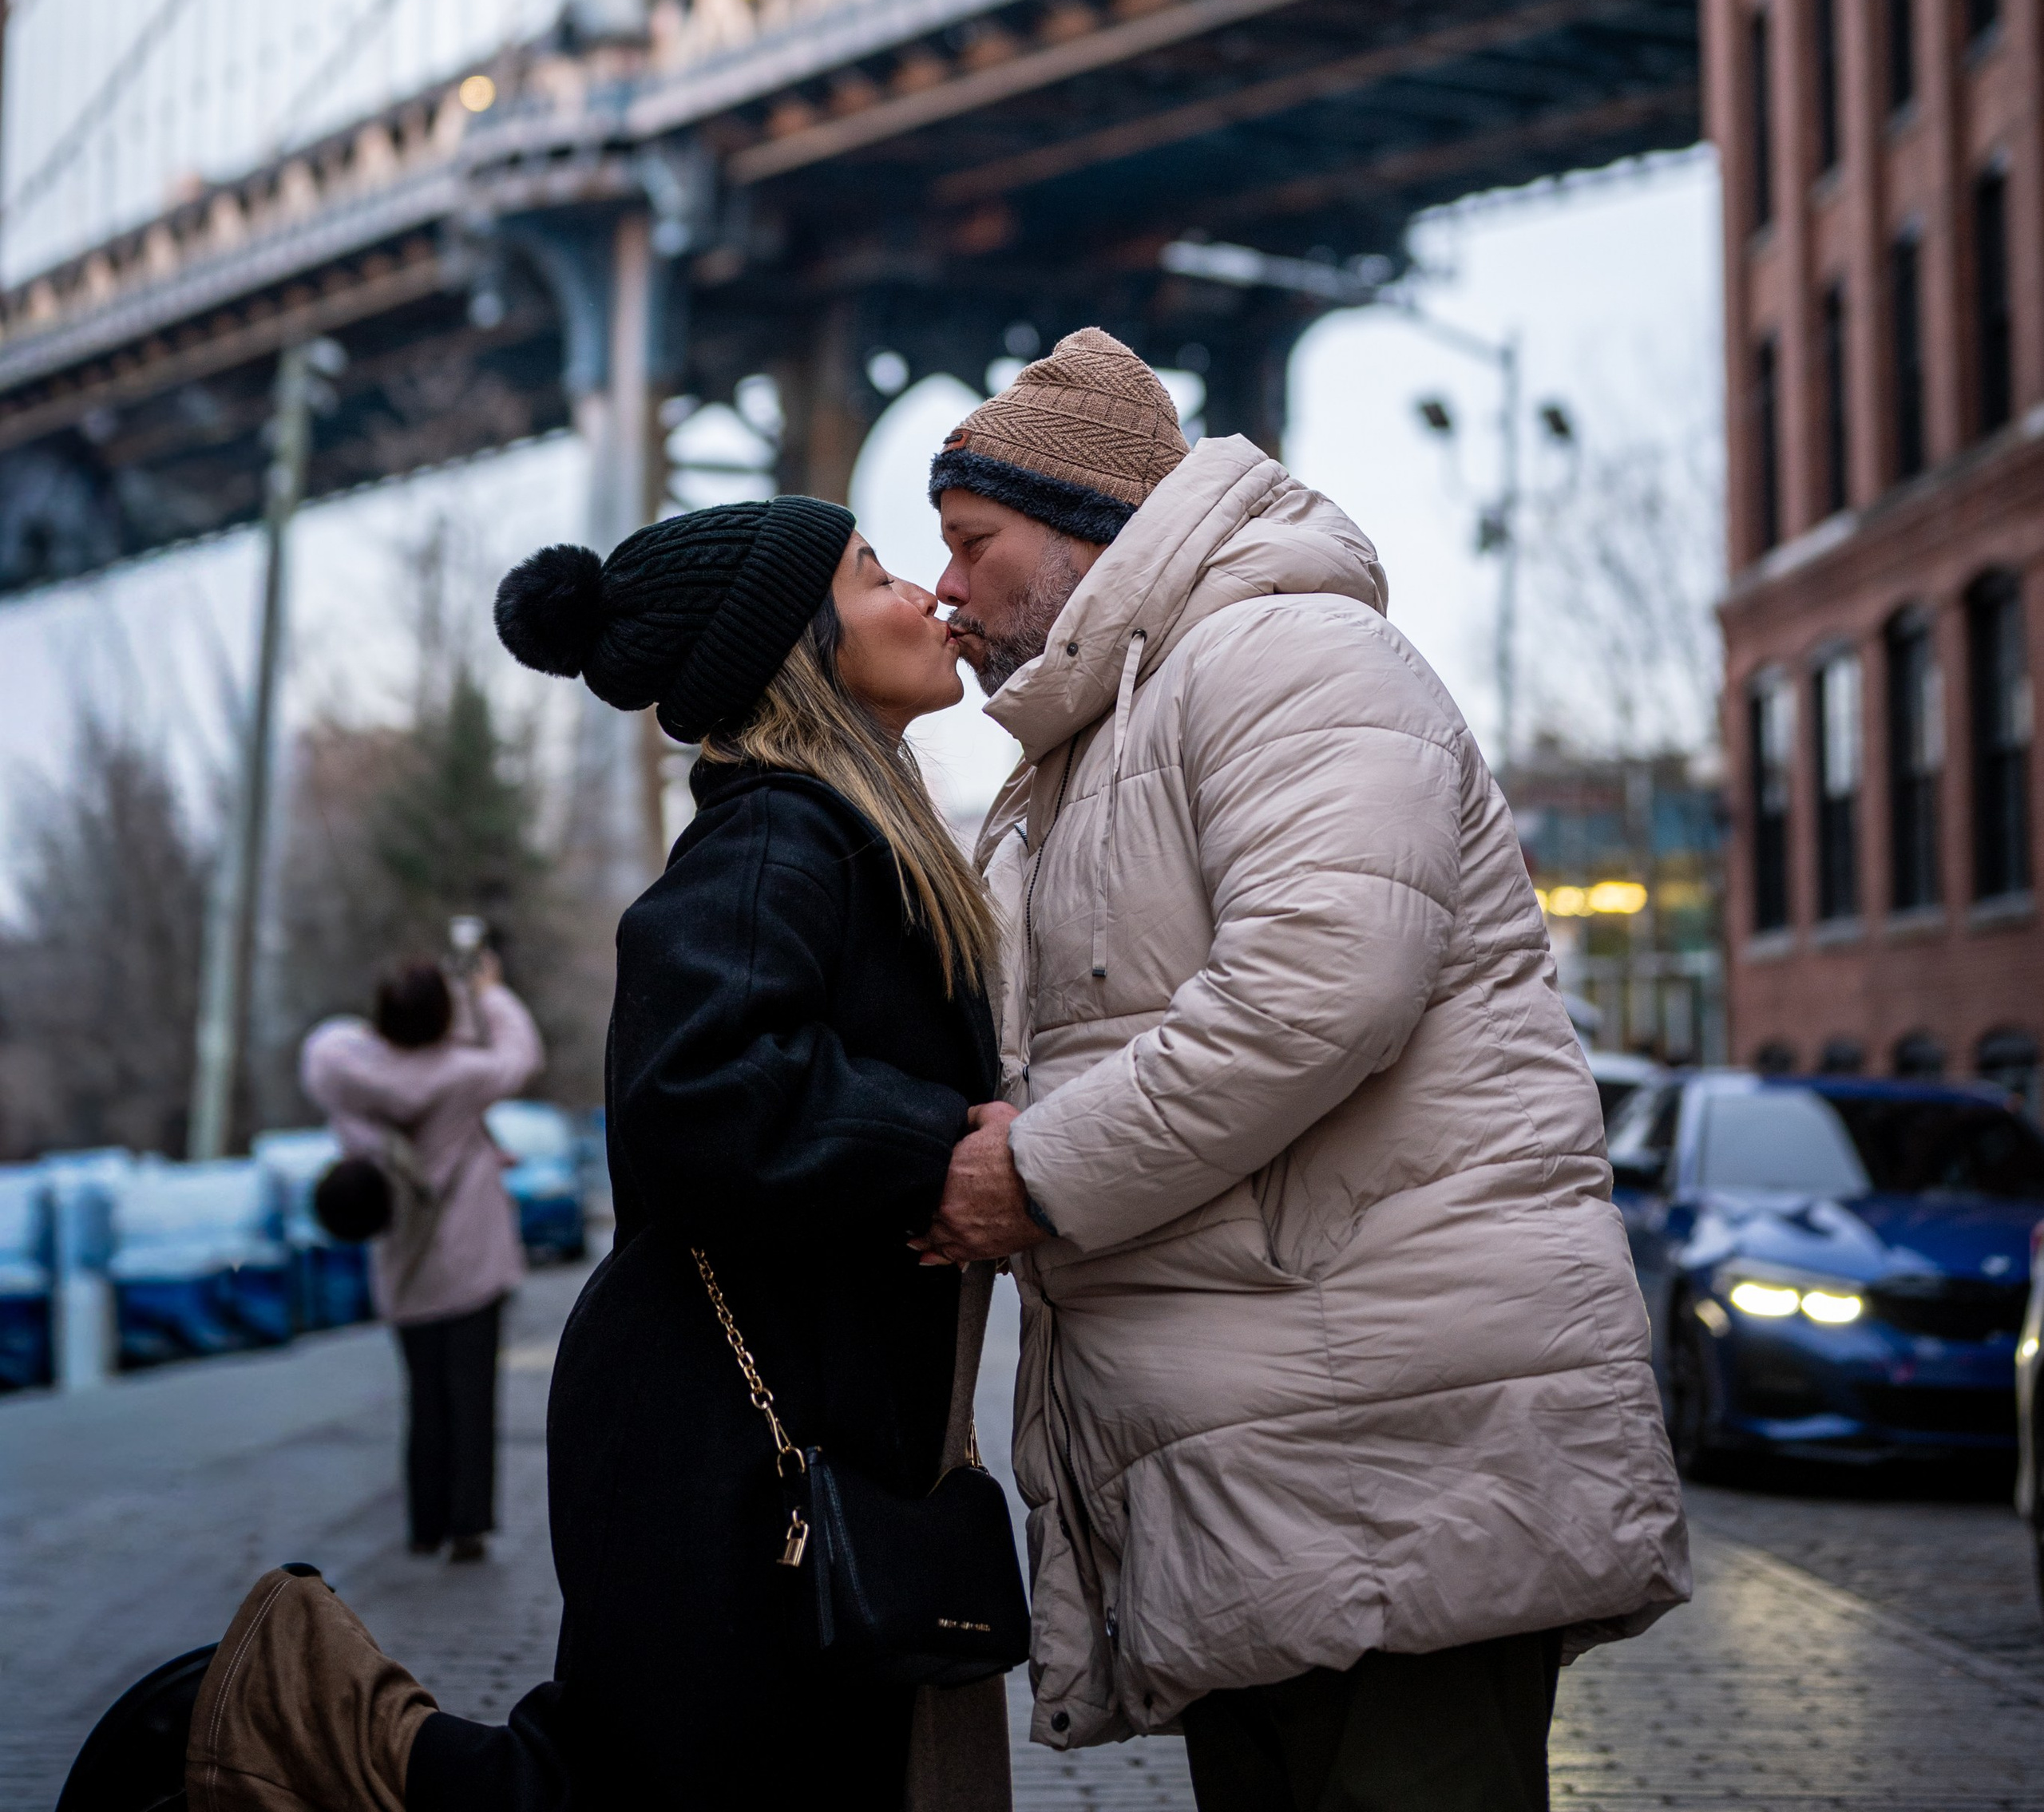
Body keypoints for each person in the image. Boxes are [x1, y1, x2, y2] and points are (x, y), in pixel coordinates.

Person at [57, 495, 1000, 1812]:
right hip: (714, 1435)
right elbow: (697, 1096)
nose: (924, 595)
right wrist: (943, 1144)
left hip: (782, 1418)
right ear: (801, 644)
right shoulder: (775, 832)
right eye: (875, 572)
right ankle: (271, 1710)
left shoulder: (842, 832)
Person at [913, 327, 1690, 1812]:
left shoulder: (1288, 655)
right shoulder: (1116, 728)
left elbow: (1322, 985)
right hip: (1284, 1470)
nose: (947, 587)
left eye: (971, 541)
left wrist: (1032, 1170)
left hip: (1395, 1461)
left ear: (1086, 530)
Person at [302, 948, 542, 1562]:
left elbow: (323, 1044)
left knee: (424, 1397)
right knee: (472, 1394)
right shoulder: (462, 1074)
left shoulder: (344, 1071)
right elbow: (521, 1055)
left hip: (404, 1266)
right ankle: (468, 1524)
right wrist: (487, 992)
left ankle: (424, 1523)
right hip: (471, 1261)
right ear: (441, 1016)